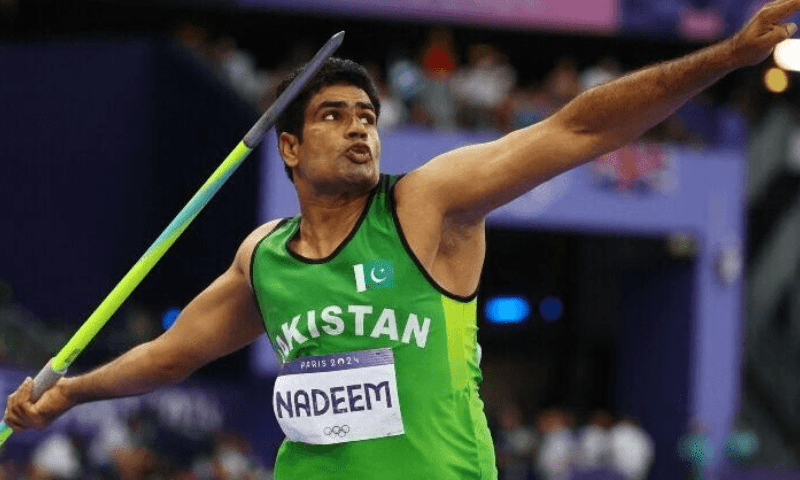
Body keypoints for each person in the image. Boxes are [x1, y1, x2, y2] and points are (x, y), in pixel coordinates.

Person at [5, 2, 800, 478]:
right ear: (287, 146)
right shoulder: (266, 257)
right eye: (332, 116)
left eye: (368, 118)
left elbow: (579, 128)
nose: (359, 130)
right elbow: (177, 353)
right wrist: (72, 391)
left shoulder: (429, 207)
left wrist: (728, 56)